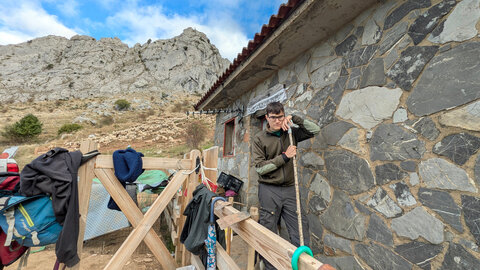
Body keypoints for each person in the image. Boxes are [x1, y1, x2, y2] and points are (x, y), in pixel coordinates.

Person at [252, 101, 320, 269]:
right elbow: (260, 169)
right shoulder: (259, 138)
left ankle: (302, 265)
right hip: (269, 189)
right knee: (268, 229)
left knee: (300, 228)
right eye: (273, 117)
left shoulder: (291, 133)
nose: (277, 120)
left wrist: (296, 118)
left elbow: (315, 130)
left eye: (280, 116)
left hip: (290, 188)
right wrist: (285, 157)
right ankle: (269, 266)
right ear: (267, 118)